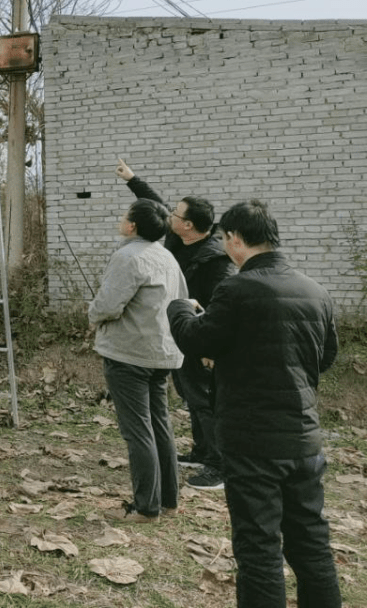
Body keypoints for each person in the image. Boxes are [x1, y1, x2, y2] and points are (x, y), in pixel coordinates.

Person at [168, 200, 342, 607]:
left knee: (258, 546)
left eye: (225, 239)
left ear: (235, 239)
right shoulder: (315, 291)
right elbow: (326, 357)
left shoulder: (237, 287)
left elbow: (197, 340)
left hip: (252, 443)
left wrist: (179, 308)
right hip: (304, 440)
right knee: (311, 542)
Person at [116, 159, 235, 490]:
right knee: (191, 396)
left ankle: (218, 466)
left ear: (190, 226)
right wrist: (132, 178)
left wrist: (211, 347)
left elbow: (220, 308)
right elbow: (155, 201)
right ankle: (201, 451)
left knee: (205, 399)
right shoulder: (179, 237)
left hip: (201, 340)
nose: (170, 216)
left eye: (177, 216)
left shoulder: (215, 261)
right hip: (179, 335)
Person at [89, 198, 188, 522]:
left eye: (124, 215)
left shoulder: (127, 256)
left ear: (132, 225)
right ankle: (168, 502)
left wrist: (92, 314)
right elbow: (183, 301)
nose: (121, 218)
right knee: (160, 425)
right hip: (162, 353)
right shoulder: (167, 257)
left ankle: (146, 508)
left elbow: (107, 306)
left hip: (130, 354)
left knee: (139, 431)